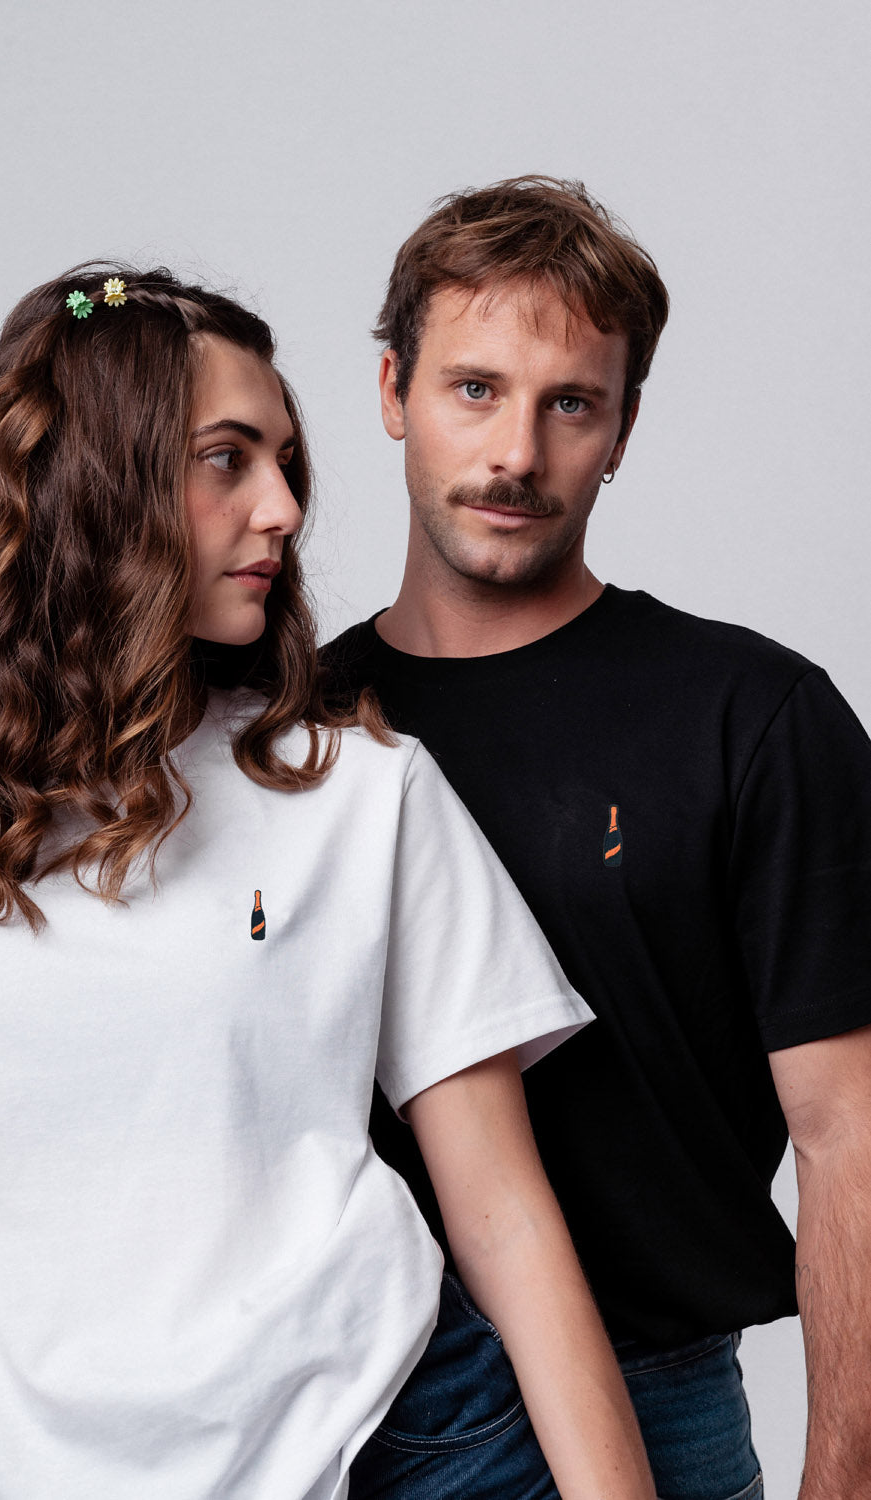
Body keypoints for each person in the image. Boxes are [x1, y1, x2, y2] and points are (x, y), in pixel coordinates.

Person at [0, 266, 656, 1500]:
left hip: (379, 1448)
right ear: (98, 478)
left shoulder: (360, 792)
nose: (284, 509)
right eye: (226, 461)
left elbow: (504, 1217)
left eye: (285, 463)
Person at [322, 176, 871, 1500]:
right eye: (473, 389)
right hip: (347, 1416)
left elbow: (847, 1132)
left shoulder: (750, 714)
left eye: (569, 403)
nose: (514, 453)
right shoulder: (292, 727)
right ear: (392, 390)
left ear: (621, 428)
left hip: (658, 1402)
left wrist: (843, 1480)